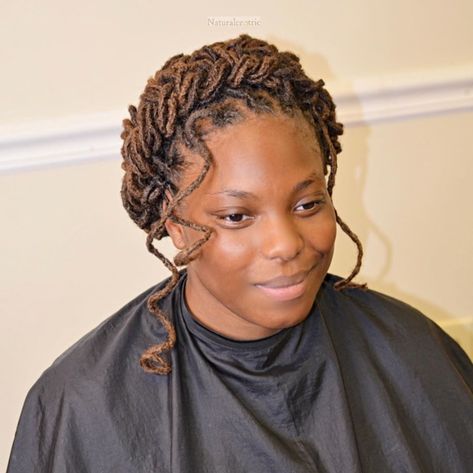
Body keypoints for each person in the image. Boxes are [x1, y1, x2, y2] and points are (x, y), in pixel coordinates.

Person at [7, 34, 473, 473]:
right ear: (174, 225)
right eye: (236, 216)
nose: (286, 243)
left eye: (307, 204)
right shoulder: (82, 406)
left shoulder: (415, 350)